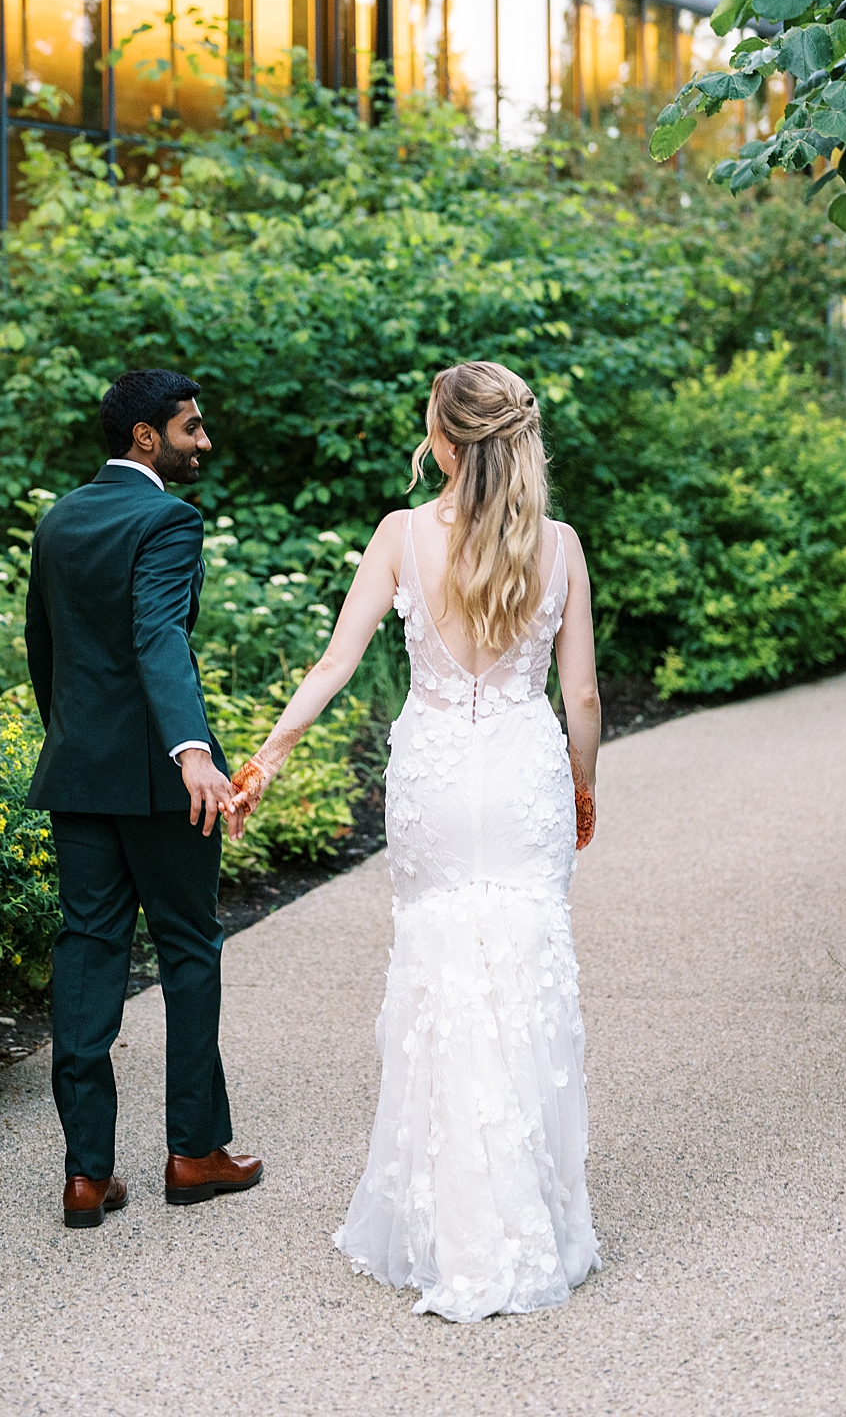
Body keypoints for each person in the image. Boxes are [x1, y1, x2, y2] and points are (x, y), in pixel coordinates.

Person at [232, 361, 602, 1319]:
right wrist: (583, 783)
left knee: (440, 969)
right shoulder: (557, 546)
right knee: (524, 969)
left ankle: (446, 1218)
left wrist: (268, 756)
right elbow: (584, 697)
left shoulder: (401, 536)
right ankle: (531, 1217)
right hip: (523, 769)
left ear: (443, 439)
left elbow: (338, 661)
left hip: (436, 769)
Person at [25, 368, 263, 1229]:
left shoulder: (58, 518)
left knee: (88, 952)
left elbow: (41, 651)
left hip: (79, 775)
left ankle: (86, 1174)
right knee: (189, 948)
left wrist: (78, 741)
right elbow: (158, 634)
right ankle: (193, 1152)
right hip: (167, 784)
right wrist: (191, 751)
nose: (204, 441)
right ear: (144, 438)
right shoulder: (168, 518)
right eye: (191, 428)